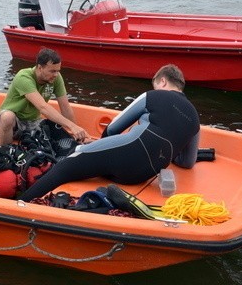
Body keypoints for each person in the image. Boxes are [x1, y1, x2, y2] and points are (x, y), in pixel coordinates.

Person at [19, 64, 200, 202]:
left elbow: (114, 127)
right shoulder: (195, 118)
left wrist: (100, 146)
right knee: (99, 163)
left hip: (128, 156)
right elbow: (187, 162)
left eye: (155, 85)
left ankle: (21, 202)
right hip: (141, 175)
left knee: (71, 160)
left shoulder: (153, 96)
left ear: (162, 81)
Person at [0, 48, 87, 146]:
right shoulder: (24, 77)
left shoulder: (56, 77)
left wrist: (76, 131)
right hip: (15, 121)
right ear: (40, 68)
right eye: (52, 71)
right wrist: (71, 126)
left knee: (55, 130)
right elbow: (43, 107)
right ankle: (3, 153)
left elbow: (65, 107)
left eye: (57, 71)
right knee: (7, 117)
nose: (56, 75)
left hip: (34, 121)